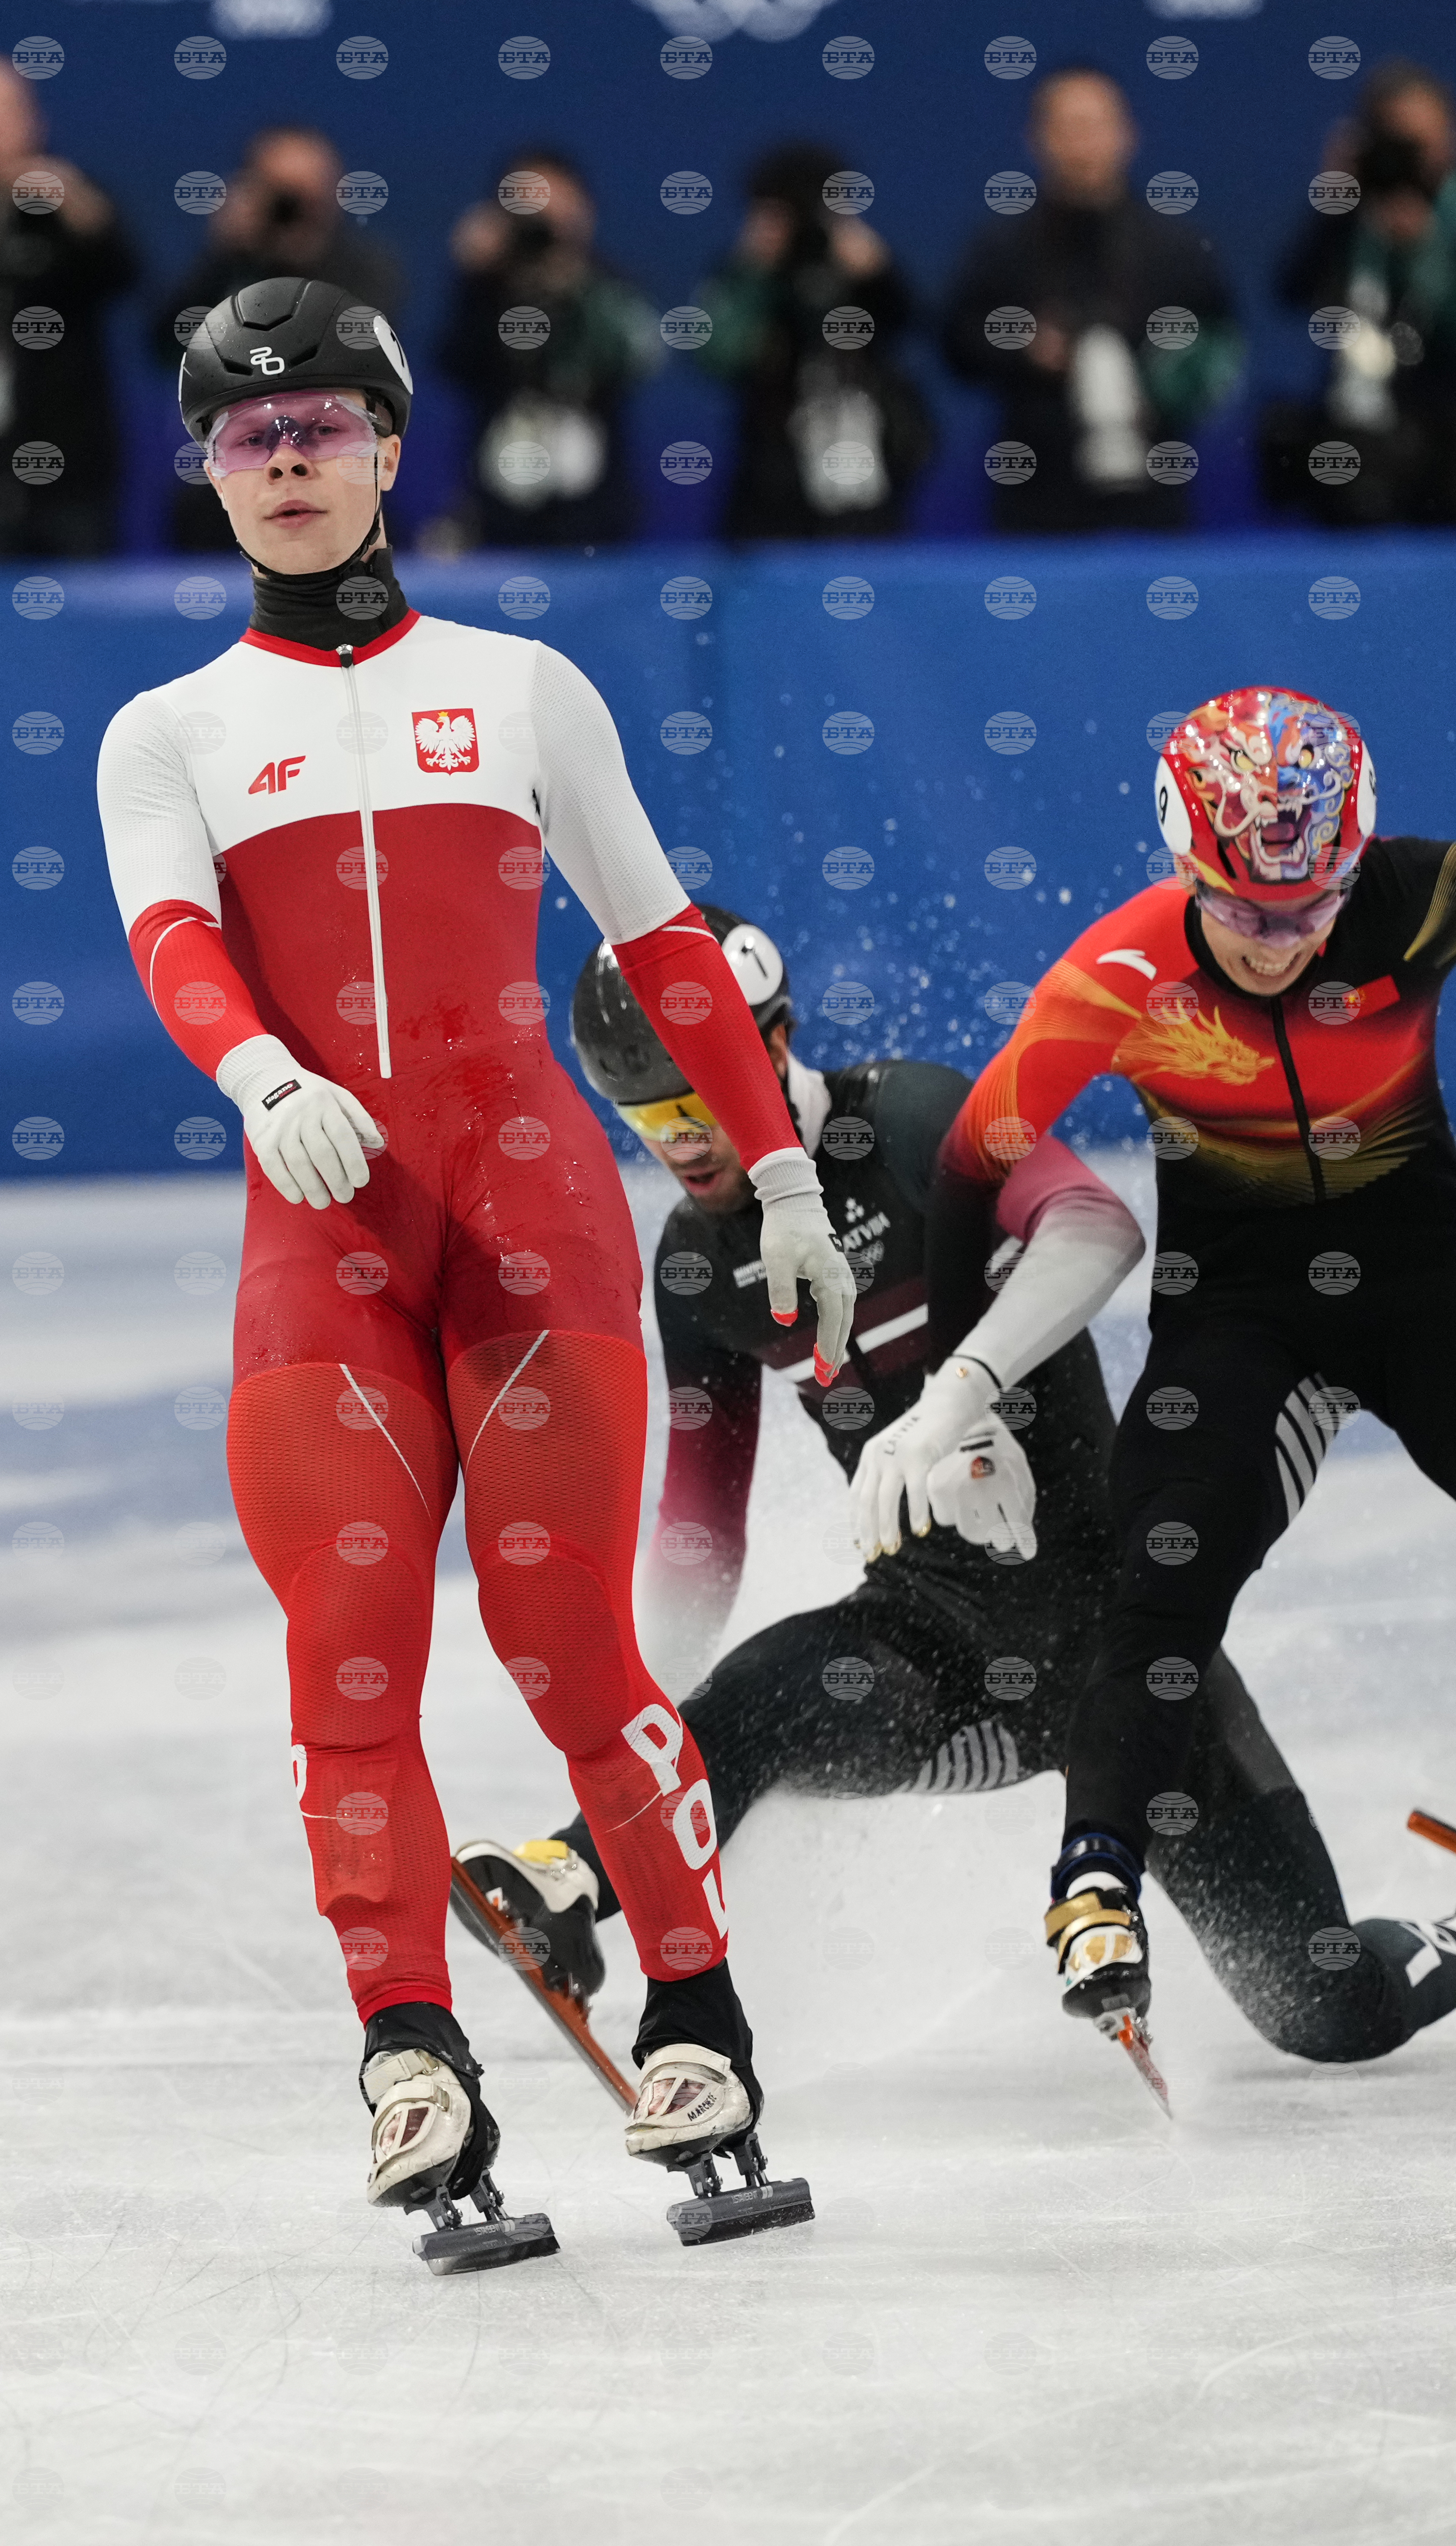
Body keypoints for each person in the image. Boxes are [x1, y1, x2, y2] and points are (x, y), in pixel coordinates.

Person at [96, 278, 854, 2259]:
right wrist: (263, 1070)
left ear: (387, 448)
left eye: (321, 432)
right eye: (248, 443)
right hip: (323, 1256)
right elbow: (176, 941)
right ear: (208, 469)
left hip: (535, 1237)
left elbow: (667, 946)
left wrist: (774, 1171)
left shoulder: (524, 690)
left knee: (570, 1656)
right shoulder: (168, 730)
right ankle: (406, 2049)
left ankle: (698, 2018)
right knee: (347, 1662)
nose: (286, 468)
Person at [451, 909, 1456, 2080]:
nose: (681, 1140)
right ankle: (578, 1870)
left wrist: (956, 1388)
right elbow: (699, 1534)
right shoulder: (694, 1264)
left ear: (770, 1041)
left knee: (1323, 2009)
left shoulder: (910, 1123)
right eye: (642, 1111)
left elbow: (1097, 1226)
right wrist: (623, 1723)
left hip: (1132, 1638)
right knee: (761, 1697)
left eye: (696, 1095)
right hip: (933, 1645)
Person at [920, 686, 1456, 2064]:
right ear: (1180, 868)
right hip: (1240, 1312)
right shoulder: (1115, 971)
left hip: (1433, 1286)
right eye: (1242, 911)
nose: (1278, 941)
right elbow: (970, 1161)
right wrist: (948, 1387)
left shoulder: (1418, 894)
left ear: (1351, 864)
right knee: (1159, 1589)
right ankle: (1091, 1882)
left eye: (1310, 908)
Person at [941, 64, 1239, 534]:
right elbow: (957, 345)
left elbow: (1221, 349)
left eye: (1095, 126)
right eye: (1068, 127)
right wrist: (1025, 347)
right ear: (1037, 138)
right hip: (1037, 496)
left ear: (1126, 134)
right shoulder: (1002, 247)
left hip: (1154, 497)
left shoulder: (1175, 248)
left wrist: (1161, 374)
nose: (1083, 145)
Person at [1262, 59, 1456, 528]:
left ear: (1454, 141)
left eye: (1423, 142)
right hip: (1355, 427)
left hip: (1449, 432)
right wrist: (1332, 199)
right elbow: (1288, 289)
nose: (1411, 158)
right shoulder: (1346, 216)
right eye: (1397, 141)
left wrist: (1423, 253)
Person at [151, 129, 404, 551]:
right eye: (282, 192)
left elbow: (369, 344)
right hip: (234, 488)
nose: (296, 207)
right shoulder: (231, 264)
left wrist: (309, 258)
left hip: (337, 479)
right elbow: (166, 345)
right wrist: (225, 254)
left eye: (308, 191)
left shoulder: (367, 270)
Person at [695, 142, 932, 539]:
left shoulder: (862, 273)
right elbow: (718, 355)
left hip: (866, 481)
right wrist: (751, 275)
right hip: (771, 484)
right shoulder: (744, 277)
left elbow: (915, 327)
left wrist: (879, 274)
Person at [437, 150, 658, 549]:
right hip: (498, 515)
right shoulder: (488, 290)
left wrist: (577, 282)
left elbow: (641, 357)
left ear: (583, 214)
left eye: (554, 208)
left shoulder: (605, 286)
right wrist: (473, 279)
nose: (541, 225)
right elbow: (453, 362)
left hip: (596, 514)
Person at [0, 59, 138, 556]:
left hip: (65, 474)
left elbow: (123, 275)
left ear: (35, 120)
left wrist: (76, 206)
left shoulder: (69, 206)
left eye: (8, 111)